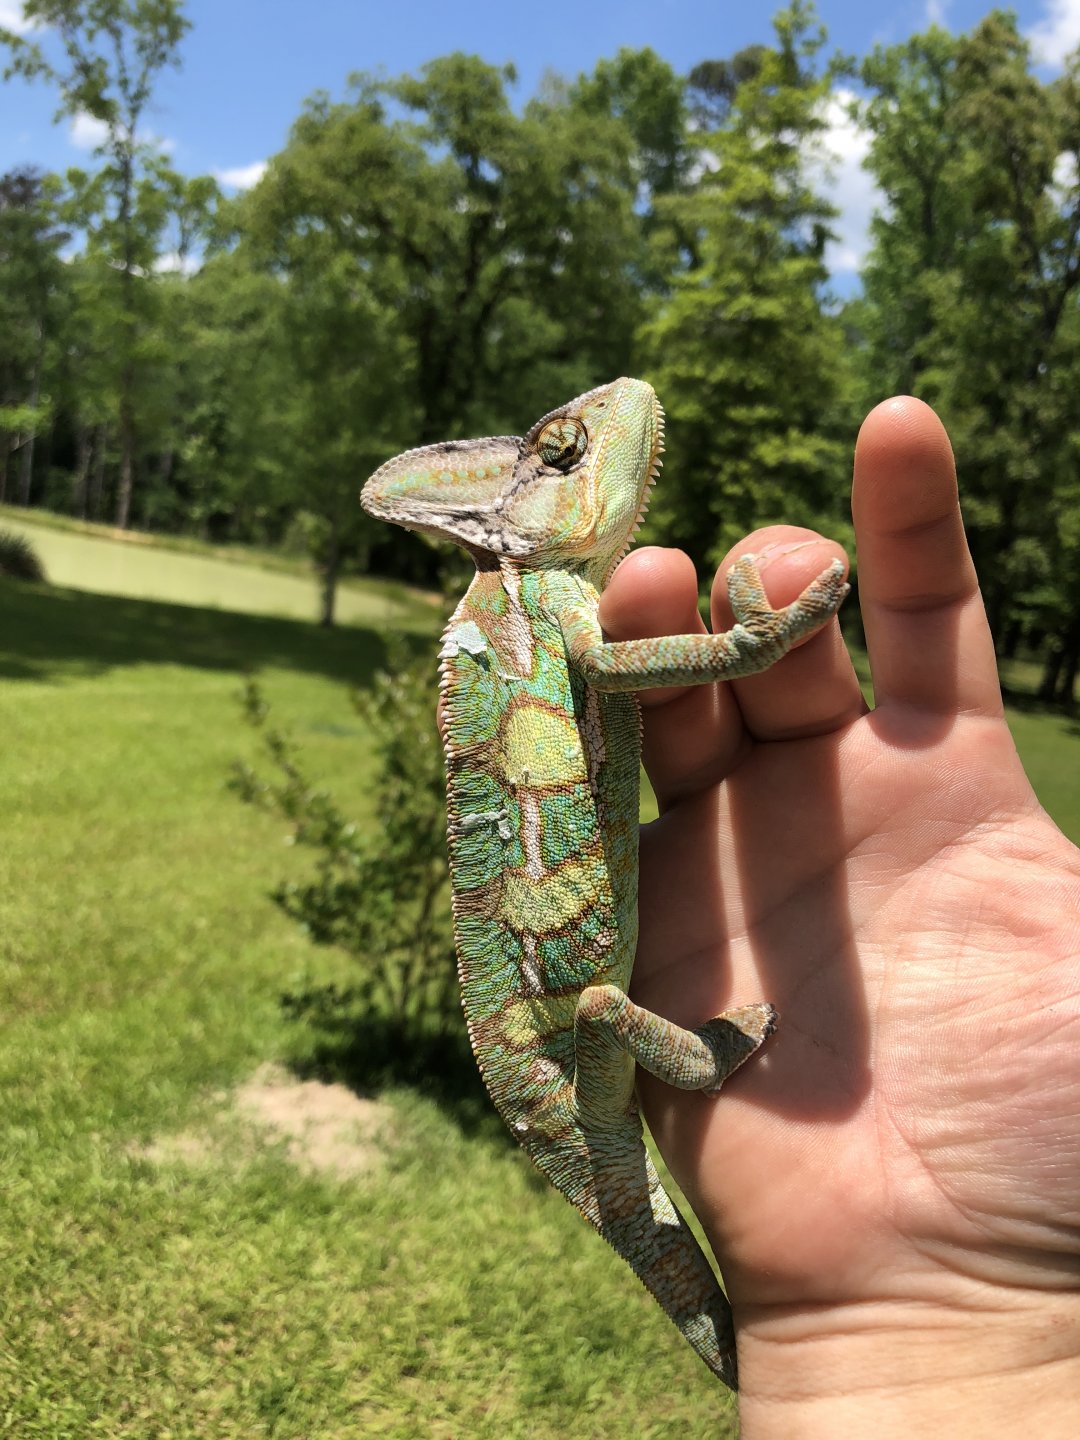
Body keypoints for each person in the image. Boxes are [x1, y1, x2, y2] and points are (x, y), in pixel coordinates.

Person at [599, 397, 1080, 1435]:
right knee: (600, 1023)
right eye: (564, 455)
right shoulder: (525, 609)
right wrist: (751, 645)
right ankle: (697, 1060)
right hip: (576, 1000)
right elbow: (608, 662)